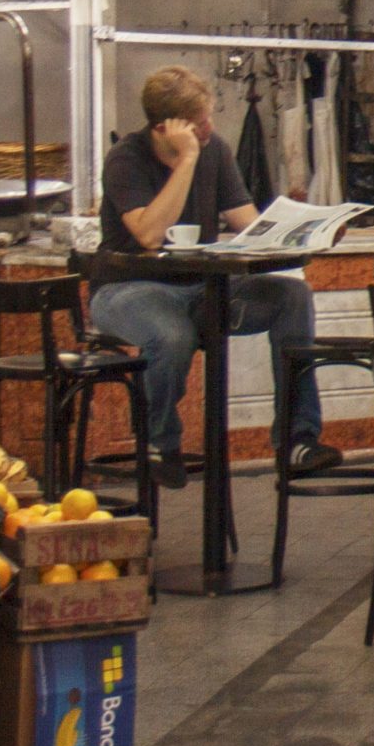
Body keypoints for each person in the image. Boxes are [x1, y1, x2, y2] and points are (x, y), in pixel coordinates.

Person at [89, 66, 341, 489]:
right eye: (199, 123)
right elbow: (149, 234)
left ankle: (297, 440)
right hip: (126, 289)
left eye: (208, 119)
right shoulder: (126, 159)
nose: (209, 128)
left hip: (202, 288)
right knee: (171, 336)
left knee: (291, 296)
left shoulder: (215, 151)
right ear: (164, 126)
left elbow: (247, 224)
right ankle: (159, 443)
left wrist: (307, 232)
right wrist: (186, 160)